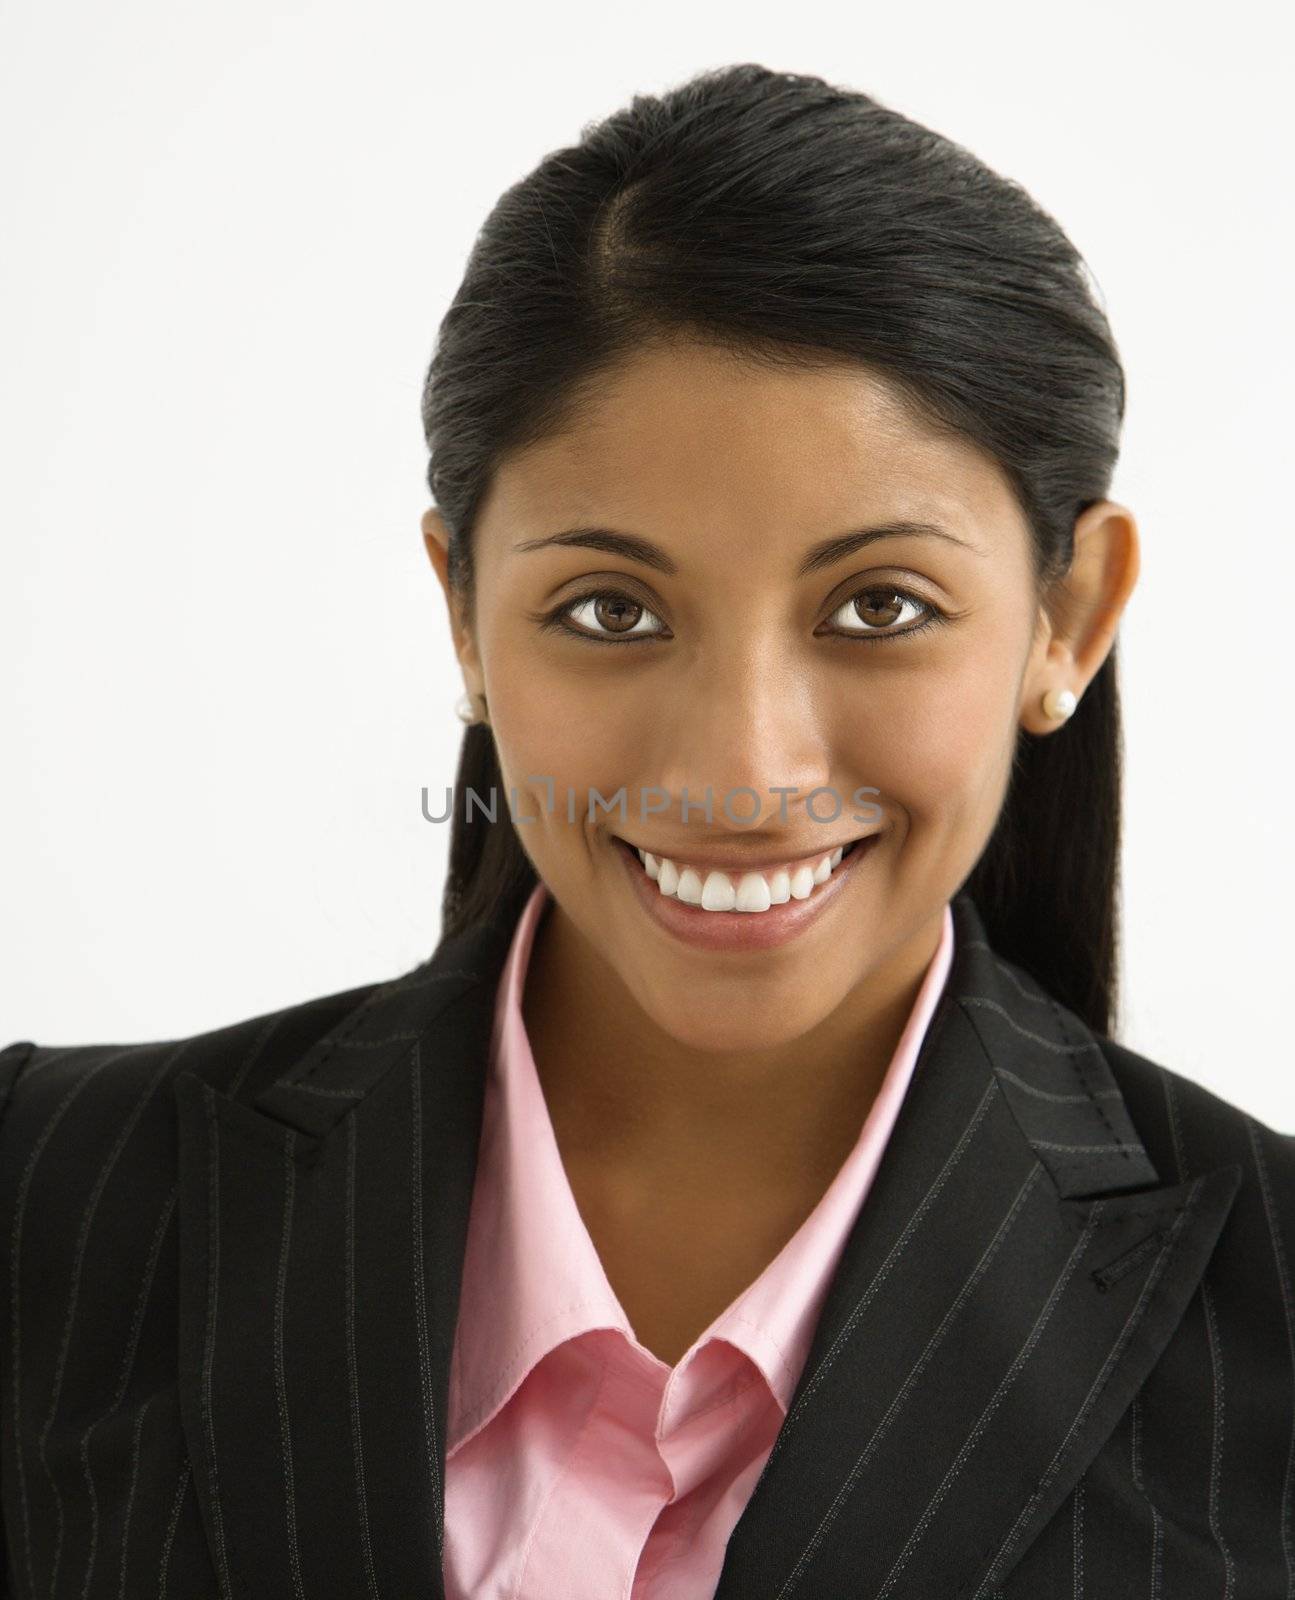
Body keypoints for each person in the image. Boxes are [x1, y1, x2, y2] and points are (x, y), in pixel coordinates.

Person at [2, 62, 1291, 1600]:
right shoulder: (41, 1206)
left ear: (1066, 617)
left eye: (879, 608)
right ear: (464, 615)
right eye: (610, 610)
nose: (742, 766)